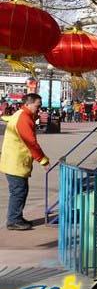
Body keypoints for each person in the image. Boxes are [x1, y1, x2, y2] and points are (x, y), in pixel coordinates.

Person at [0, 93, 49, 230]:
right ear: (28, 104)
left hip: (15, 161)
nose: (39, 109)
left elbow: (9, 119)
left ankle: (16, 217)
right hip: (15, 162)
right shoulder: (24, 118)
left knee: (21, 191)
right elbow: (31, 143)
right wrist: (43, 161)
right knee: (18, 192)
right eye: (37, 106)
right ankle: (13, 220)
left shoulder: (22, 114)